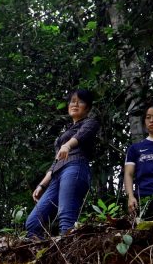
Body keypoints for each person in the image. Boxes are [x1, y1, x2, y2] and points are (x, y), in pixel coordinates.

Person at [25, 89, 100, 238]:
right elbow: (56, 161)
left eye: (80, 101)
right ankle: (43, 258)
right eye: (72, 101)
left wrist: (67, 145)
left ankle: (69, 258)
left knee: (66, 218)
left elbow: (81, 135)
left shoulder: (90, 123)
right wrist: (42, 185)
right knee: (33, 223)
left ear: (88, 107)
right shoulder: (67, 131)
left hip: (75, 167)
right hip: (57, 176)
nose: (75, 104)